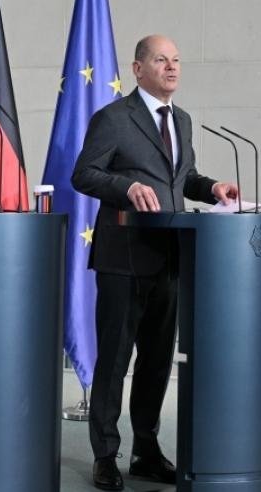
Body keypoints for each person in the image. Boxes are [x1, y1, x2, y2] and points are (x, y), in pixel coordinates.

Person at [71, 34, 239, 491]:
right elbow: (84, 174)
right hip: (123, 258)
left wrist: (212, 188)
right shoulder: (113, 118)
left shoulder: (181, 119)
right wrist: (126, 187)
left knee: (157, 361)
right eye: (162, 60)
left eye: (177, 60)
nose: (172, 67)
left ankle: (145, 450)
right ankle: (105, 455)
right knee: (115, 361)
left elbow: (184, 179)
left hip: (170, 257)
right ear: (138, 69)